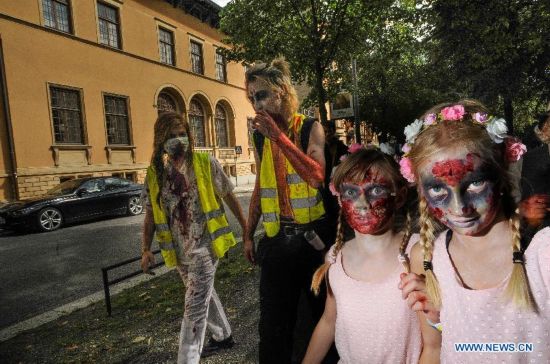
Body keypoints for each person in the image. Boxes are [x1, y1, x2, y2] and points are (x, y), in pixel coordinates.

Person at [398, 100, 550, 363]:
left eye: (476, 183)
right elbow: (441, 348)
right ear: (420, 189)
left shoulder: (542, 255)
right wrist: (439, 319)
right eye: (437, 189)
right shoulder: (427, 258)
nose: (460, 208)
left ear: (501, 174)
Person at [243, 58, 337, 364]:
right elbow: (260, 183)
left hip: (312, 243)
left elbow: (316, 177)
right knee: (272, 326)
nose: (256, 105)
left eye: (260, 95)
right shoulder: (259, 136)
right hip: (276, 240)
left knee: (318, 316)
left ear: (281, 91)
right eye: (251, 98)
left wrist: (279, 138)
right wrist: (247, 233)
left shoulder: (310, 127)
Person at [140, 112, 247, 363]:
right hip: (180, 252)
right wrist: (145, 249)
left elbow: (229, 195)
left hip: (206, 247)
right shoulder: (155, 175)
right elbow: (149, 215)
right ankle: (223, 336)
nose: (178, 139)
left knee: (193, 307)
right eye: (171, 135)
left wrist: (247, 230)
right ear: (161, 140)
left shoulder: (204, 162)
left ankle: (187, 358)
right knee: (202, 295)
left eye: (182, 134)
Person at [302, 147, 421, 364]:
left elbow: (436, 337)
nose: (362, 203)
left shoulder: (415, 255)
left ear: (400, 196)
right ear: (339, 200)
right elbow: (329, 321)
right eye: (350, 192)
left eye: (376, 190)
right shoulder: (336, 257)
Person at [322, 120, 348, 221]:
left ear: (333, 132)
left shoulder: (341, 147)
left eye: (327, 131)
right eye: (323, 132)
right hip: (323, 184)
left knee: (336, 212)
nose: (325, 134)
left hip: (336, 183)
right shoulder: (319, 147)